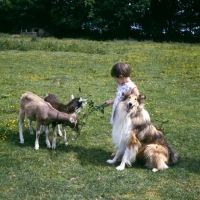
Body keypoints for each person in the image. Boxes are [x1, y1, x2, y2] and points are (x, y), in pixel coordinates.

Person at [103, 62, 139, 157]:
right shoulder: (121, 84)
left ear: (121, 76)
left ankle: (123, 153)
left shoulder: (132, 87)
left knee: (124, 134)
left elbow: (136, 100)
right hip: (118, 113)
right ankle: (120, 151)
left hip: (125, 116)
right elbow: (119, 98)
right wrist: (110, 101)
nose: (115, 80)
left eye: (115, 78)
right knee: (119, 131)